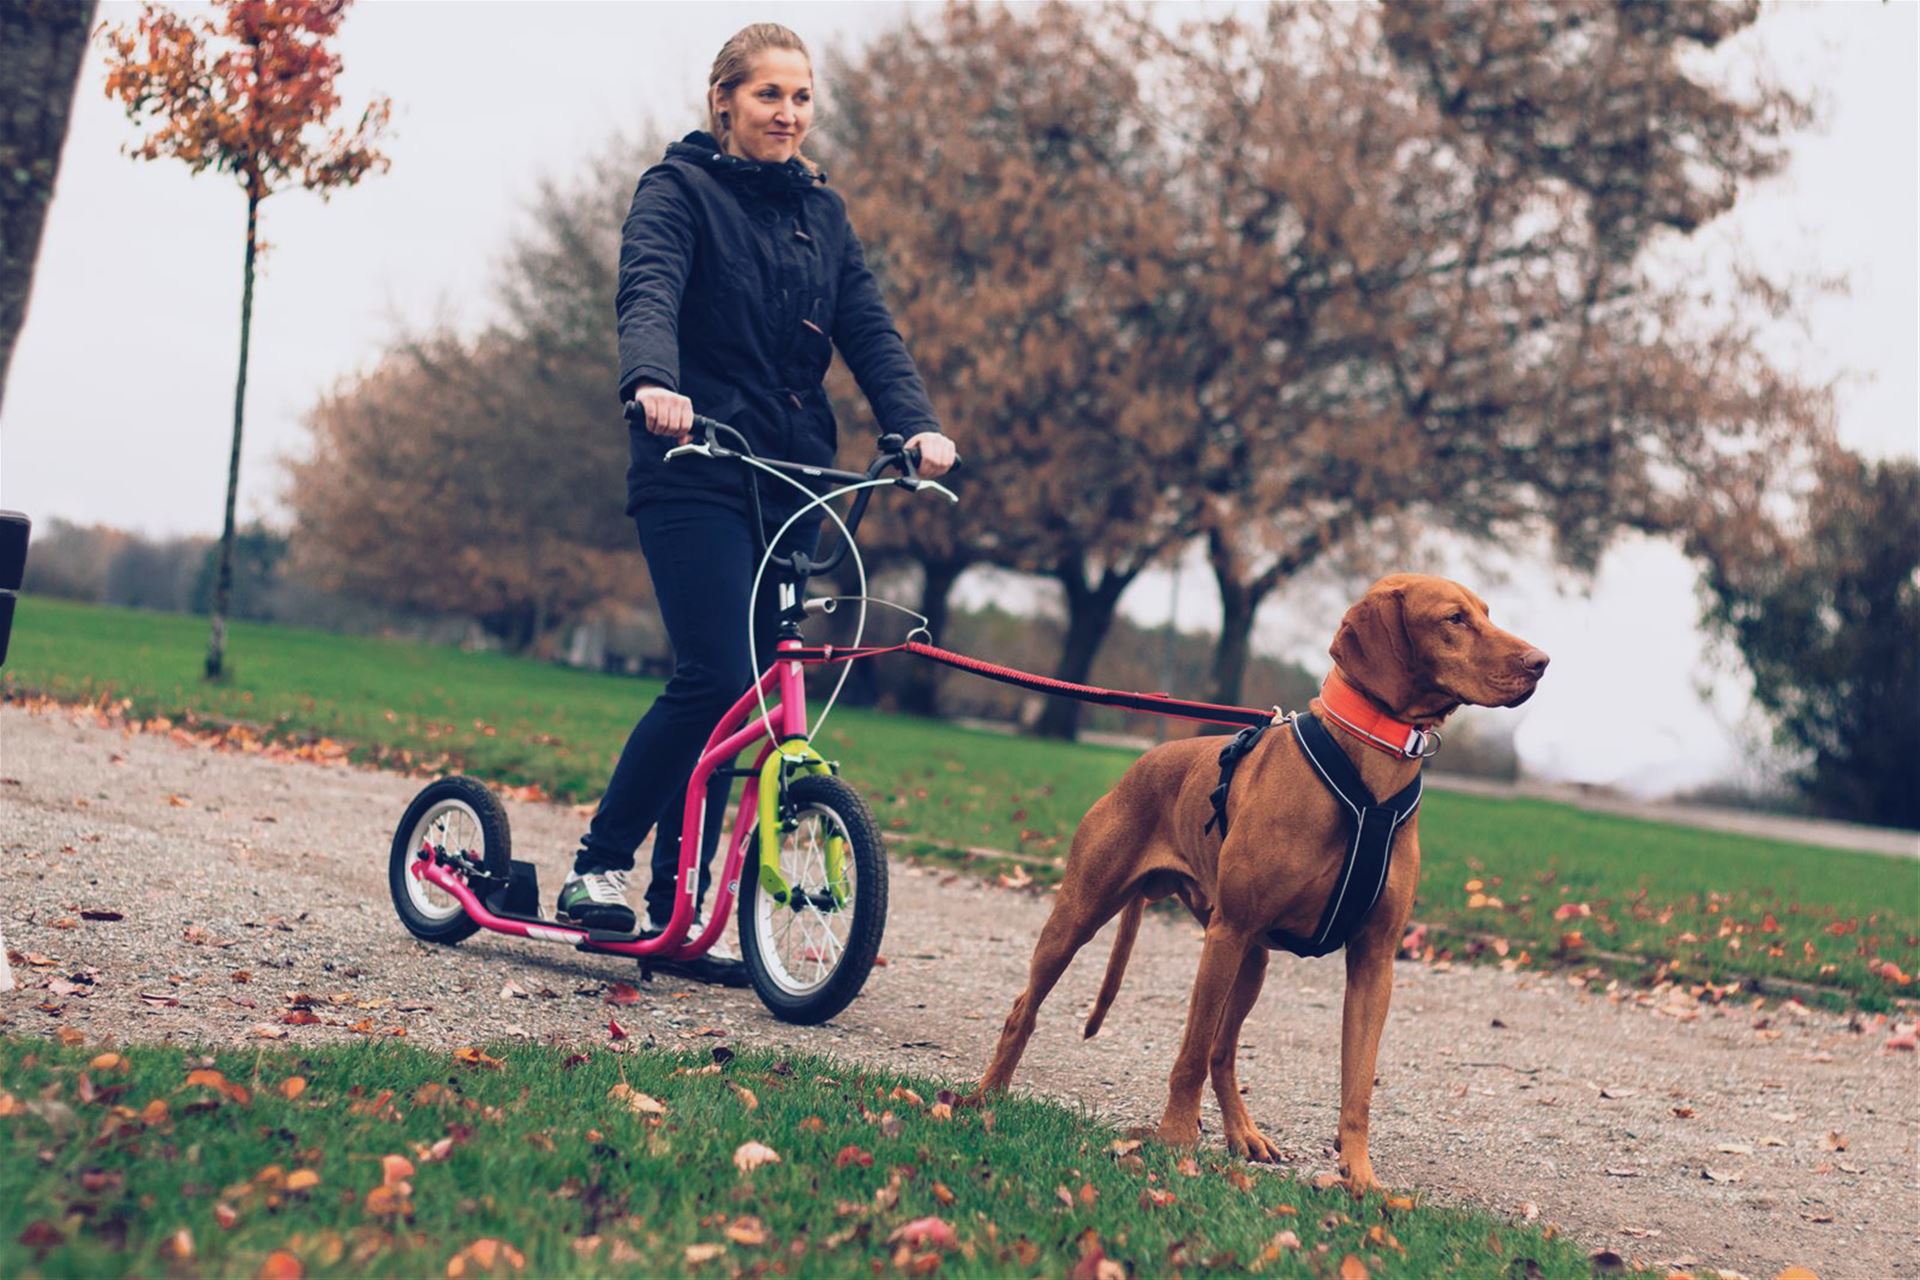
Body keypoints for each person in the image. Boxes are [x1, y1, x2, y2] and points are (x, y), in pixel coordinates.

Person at [557, 23, 957, 984]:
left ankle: (677, 907)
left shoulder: (825, 214)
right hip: (693, 461)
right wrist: (653, 383)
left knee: (765, 700)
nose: (788, 112)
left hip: (792, 476)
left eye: (803, 97)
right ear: (724, 101)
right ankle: (599, 869)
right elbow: (647, 291)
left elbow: (868, 327)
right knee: (719, 674)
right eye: (769, 94)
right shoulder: (676, 193)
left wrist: (914, 425)